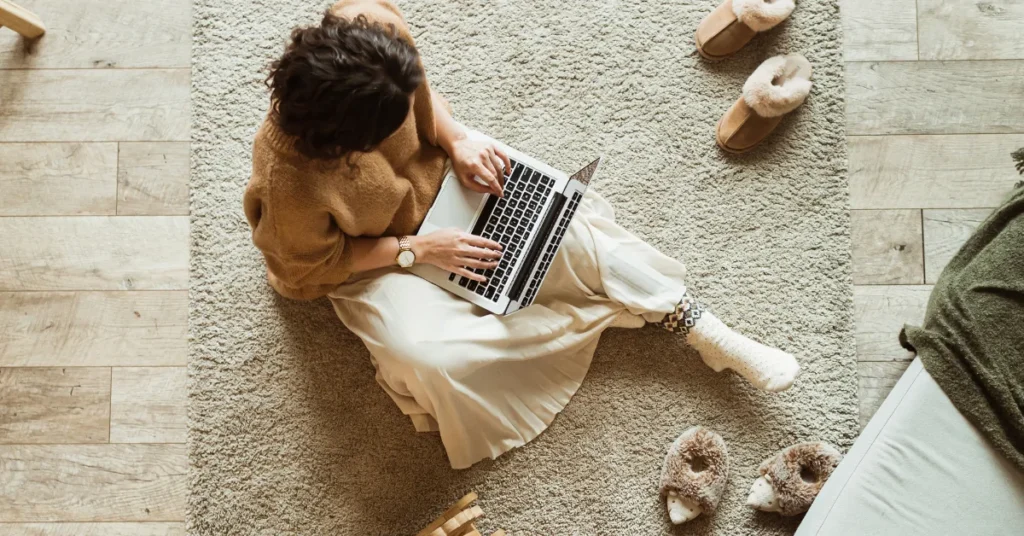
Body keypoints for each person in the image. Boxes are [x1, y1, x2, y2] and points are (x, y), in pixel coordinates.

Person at [244, 0, 800, 469]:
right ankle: (601, 313)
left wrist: (457, 139)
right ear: (343, 141)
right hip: (373, 260)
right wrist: (417, 250)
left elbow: (425, 99)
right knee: (431, 359)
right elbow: (300, 273)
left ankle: (699, 325)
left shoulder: (370, 26)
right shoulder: (288, 179)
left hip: (448, 178)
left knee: (569, 230)